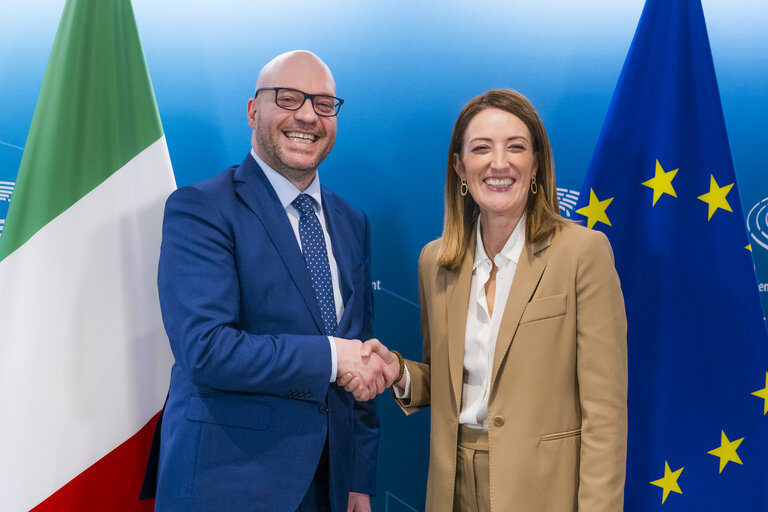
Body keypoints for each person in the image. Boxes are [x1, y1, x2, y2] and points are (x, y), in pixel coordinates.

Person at [342, 89, 628, 511]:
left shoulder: (582, 252)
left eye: (516, 147)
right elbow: (449, 381)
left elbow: (605, 415)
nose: (499, 162)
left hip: (545, 491)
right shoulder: (435, 260)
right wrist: (398, 372)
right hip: (452, 485)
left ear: (536, 165)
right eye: (481, 149)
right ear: (460, 167)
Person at [153, 50, 394, 512]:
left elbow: (358, 352)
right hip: (228, 484)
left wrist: (358, 479)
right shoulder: (201, 209)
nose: (307, 115)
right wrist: (330, 355)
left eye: (324, 104)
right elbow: (207, 349)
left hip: (330, 488)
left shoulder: (352, 222)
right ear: (253, 110)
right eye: (288, 98)